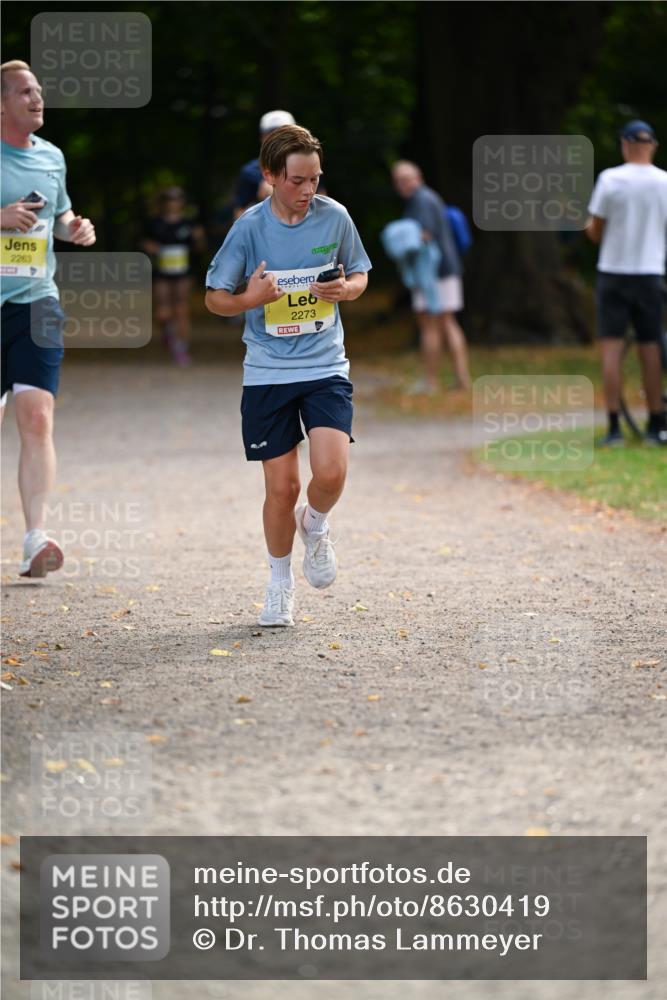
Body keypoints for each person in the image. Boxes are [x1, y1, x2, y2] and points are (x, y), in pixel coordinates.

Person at [205, 124, 371, 627]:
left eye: (315, 179)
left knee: (332, 472)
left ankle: (315, 526)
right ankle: (279, 584)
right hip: (268, 373)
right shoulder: (250, 227)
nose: (308, 190)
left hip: (324, 366)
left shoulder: (334, 217)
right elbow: (215, 297)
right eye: (297, 180)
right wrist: (250, 300)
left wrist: (347, 291)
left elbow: (361, 273)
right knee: (281, 488)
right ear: (270, 176)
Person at [1, 60, 96, 577]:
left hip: (36, 299)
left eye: (38, 90)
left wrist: (74, 227)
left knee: (36, 416)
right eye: (24, 92)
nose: (37, 99)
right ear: (1, 103)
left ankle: (35, 538)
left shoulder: (53, 157)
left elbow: (58, 215)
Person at [586, 119, 667, 447]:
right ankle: (655, 424)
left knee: (612, 349)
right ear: (653, 147)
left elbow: (595, 231)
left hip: (613, 271)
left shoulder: (610, 179)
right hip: (649, 272)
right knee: (650, 348)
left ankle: (614, 426)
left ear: (624, 144)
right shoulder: (664, 182)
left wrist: (588, 228)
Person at [391, 160, 471, 393]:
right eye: (398, 181)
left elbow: (423, 235)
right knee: (447, 322)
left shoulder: (421, 201)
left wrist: (397, 242)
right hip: (447, 269)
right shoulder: (430, 197)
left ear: (418, 178)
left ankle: (431, 381)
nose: (402, 185)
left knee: (430, 325)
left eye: (406, 180)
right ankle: (461, 379)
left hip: (432, 272)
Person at [140, 186, 206, 366]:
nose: (173, 203)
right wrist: (151, 246)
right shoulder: (154, 223)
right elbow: (142, 241)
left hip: (183, 271)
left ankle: (181, 348)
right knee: (163, 312)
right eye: (170, 199)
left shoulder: (189, 223)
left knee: (181, 308)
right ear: (164, 202)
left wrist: (199, 238)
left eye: (177, 199)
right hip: (162, 271)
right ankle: (168, 332)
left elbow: (199, 248)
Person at [232, 110, 296, 219]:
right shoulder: (249, 172)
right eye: (271, 133)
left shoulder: (308, 166)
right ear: (262, 138)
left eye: (284, 133)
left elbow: (322, 207)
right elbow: (238, 217)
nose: (277, 138)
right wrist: (261, 201)